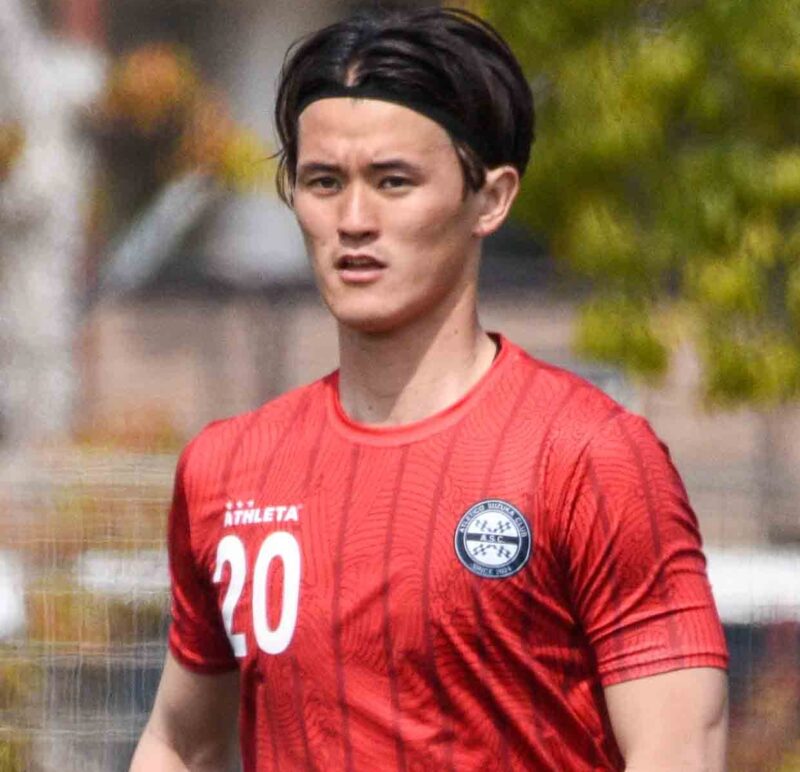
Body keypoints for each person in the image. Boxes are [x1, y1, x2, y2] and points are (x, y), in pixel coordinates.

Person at [130, 7, 729, 771]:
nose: (353, 219)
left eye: (394, 181)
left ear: (491, 198)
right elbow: (180, 742)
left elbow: (679, 751)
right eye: (323, 182)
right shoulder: (227, 468)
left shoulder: (590, 456)